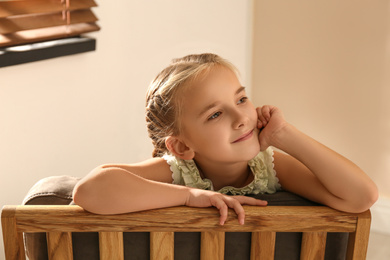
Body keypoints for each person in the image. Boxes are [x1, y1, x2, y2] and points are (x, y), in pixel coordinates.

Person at [73, 53, 378, 225]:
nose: (242, 118)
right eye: (215, 115)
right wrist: (190, 197)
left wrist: (285, 135)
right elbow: (89, 191)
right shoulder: (179, 171)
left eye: (242, 99)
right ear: (181, 147)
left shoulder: (269, 166)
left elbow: (362, 196)